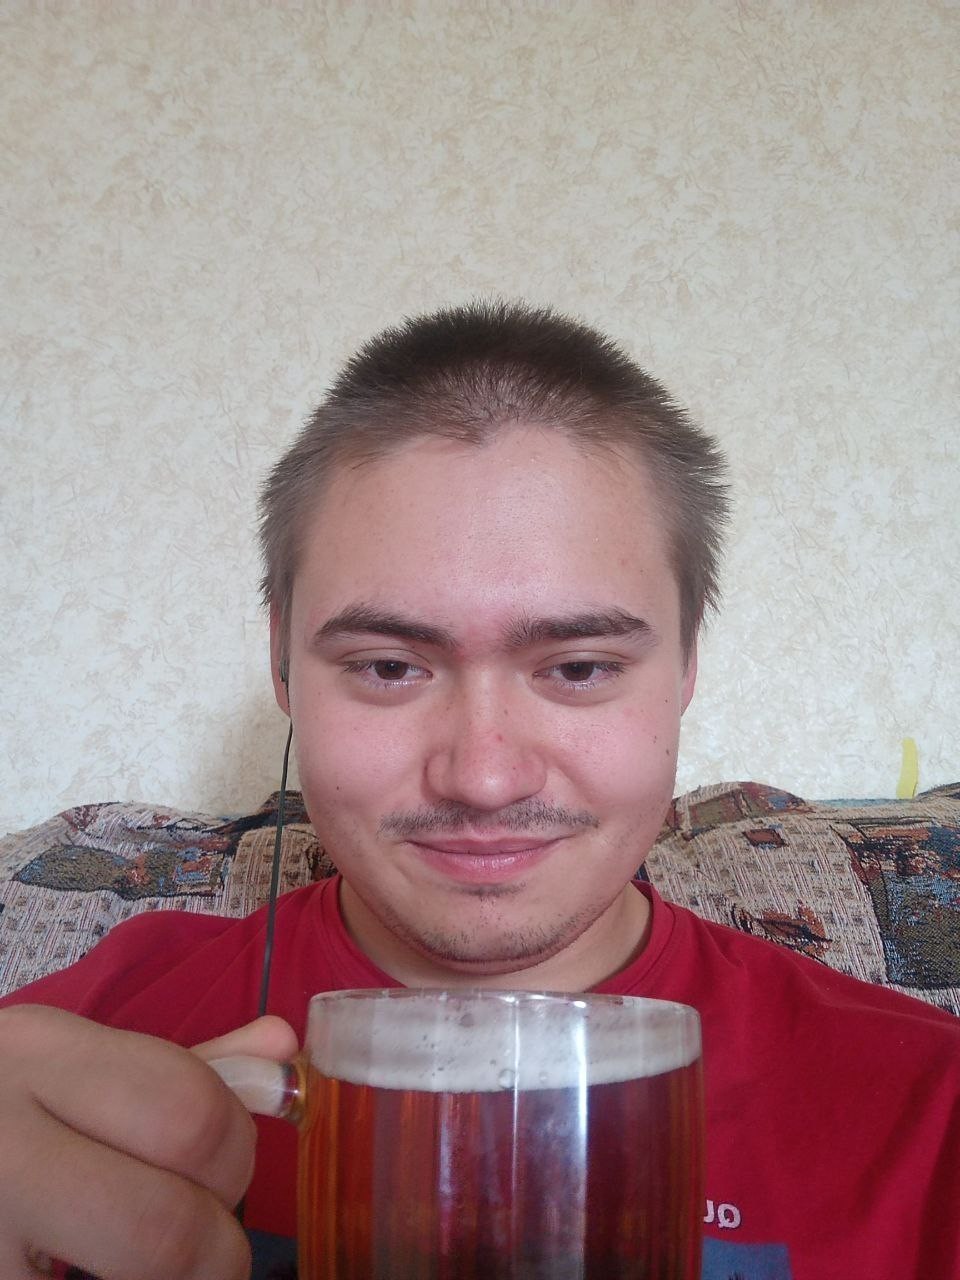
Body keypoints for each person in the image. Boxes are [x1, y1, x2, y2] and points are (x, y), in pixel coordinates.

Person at [0, 300, 957, 1280]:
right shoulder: (85, 1033)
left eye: (579, 667)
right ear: (283, 662)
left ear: (685, 670)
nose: (484, 778)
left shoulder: (931, 1110)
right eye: (388, 667)